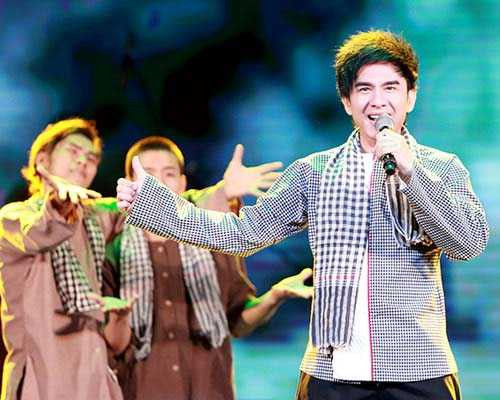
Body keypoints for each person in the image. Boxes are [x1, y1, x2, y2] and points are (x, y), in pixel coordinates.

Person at [117, 30, 489, 399]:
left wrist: (411, 172)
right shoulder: (314, 172)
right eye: (364, 89)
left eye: (390, 88)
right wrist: (152, 202)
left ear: (411, 95)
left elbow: (468, 242)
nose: (378, 102)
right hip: (332, 375)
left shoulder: (442, 168)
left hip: (418, 370)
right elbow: (243, 233)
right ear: (347, 101)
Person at [106, 136, 313, 400]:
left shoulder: (215, 241)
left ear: (183, 183)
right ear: (128, 183)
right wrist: (119, 316)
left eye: (168, 174)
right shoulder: (111, 249)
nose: (158, 184)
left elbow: (237, 322)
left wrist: (275, 295)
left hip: (210, 390)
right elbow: (110, 342)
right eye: (148, 174)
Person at [0, 118, 131, 400]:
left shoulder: (95, 218)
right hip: (42, 379)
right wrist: (59, 204)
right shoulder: (14, 218)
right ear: (42, 160)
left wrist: (218, 196)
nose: (82, 161)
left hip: (94, 379)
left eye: (91, 158)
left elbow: (142, 211)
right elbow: (39, 232)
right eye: (73, 151)